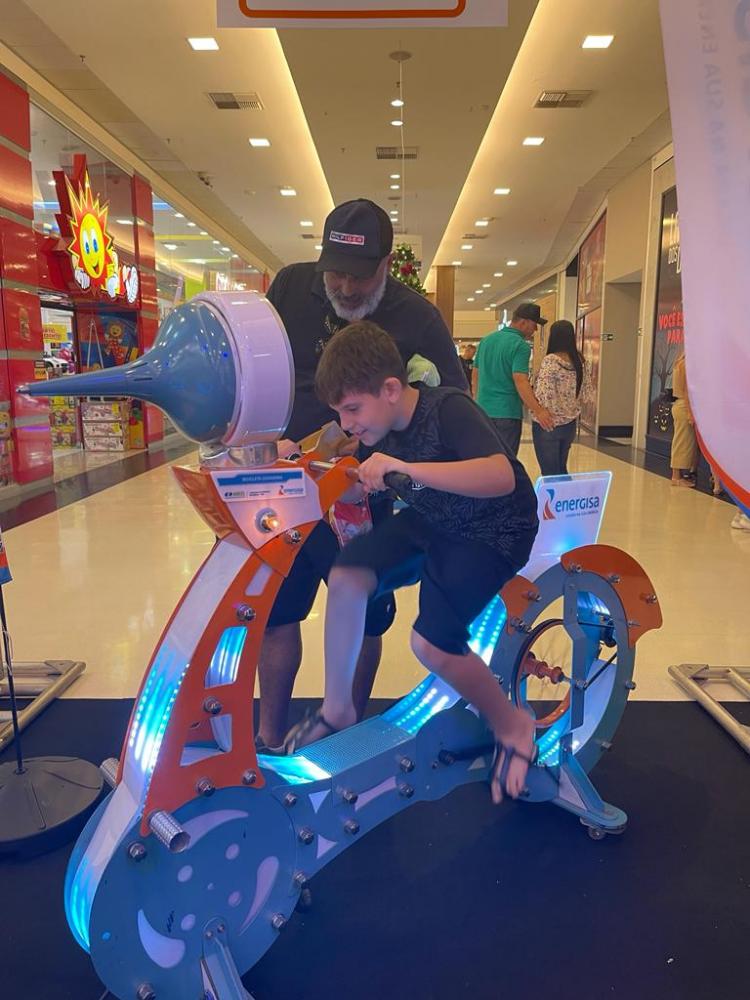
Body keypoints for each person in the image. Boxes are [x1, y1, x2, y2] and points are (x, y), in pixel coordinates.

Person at [286, 321, 539, 804]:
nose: (349, 423)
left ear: (390, 389)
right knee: (346, 577)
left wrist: (402, 470)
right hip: (436, 520)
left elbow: (500, 475)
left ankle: (512, 725)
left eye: (353, 409)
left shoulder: (449, 408)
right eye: (341, 412)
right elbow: (341, 453)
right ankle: (337, 710)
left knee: (430, 644)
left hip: (495, 531)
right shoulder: (375, 430)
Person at [259, 198, 468, 751]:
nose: (347, 288)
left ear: (386, 266)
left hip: (366, 498)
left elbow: (449, 400)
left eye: (360, 276)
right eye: (336, 273)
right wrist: (260, 436)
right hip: (289, 486)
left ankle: (343, 738)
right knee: (277, 612)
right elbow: (255, 369)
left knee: (366, 618)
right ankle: (267, 735)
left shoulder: (417, 317)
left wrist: (401, 458)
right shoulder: (288, 290)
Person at [473, 303, 554, 456]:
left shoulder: (486, 341)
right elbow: (520, 380)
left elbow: (475, 375)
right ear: (523, 322)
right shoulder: (520, 346)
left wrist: (477, 401)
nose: (535, 330)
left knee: (486, 459)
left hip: (483, 412)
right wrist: (538, 410)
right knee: (507, 462)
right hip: (507, 413)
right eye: (534, 325)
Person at [531, 319, 588, 476]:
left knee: (549, 474)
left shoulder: (550, 361)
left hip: (547, 423)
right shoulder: (580, 361)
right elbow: (586, 392)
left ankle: (551, 501)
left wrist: (539, 410)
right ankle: (565, 500)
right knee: (561, 470)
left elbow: (543, 392)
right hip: (569, 424)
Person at [669, 352, 698, 487]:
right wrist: (690, 413)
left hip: (679, 405)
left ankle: (677, 475)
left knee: (680, 441)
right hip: (684, 406)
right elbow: (687, 392)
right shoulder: (686, 365)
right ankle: (676, 477)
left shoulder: (678, 363)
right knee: (682, 442)